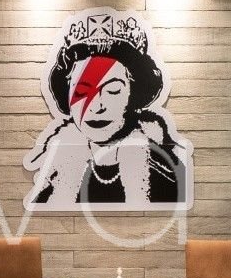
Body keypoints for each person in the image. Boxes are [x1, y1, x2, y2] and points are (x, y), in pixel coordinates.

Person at [23, 11, 190, 209]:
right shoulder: (54, 182)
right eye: (82, 91)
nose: (97, 106)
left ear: (134, 94)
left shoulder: (164, 179)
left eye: (113, 90)